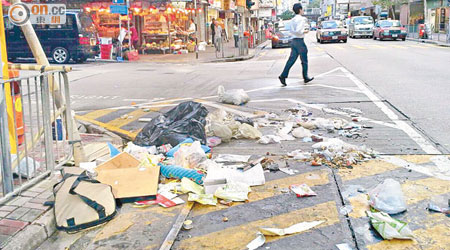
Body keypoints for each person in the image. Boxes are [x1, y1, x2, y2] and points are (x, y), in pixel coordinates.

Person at [279, 3, 314, 86]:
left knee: (291, 60)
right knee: (304, 60)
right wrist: (304, 31)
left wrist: (297, 33)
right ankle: (305, 77)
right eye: (302, 9)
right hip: (299, 41)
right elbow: (299, 30)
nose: (303, 11)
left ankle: (283, 75)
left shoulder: (292, 19)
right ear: (300, 10)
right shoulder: (301, 19)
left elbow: (291, 31)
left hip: (294, 41)